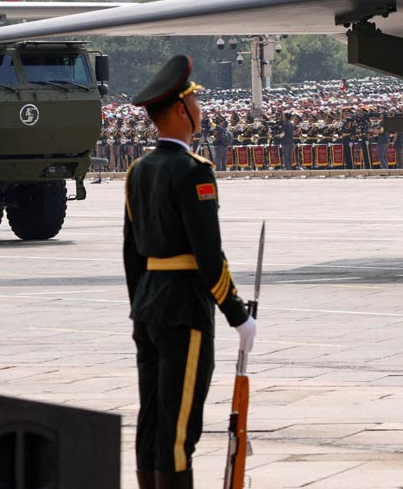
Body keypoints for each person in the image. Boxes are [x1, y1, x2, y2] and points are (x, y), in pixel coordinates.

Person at [122, 55, 256, 489]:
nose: (201, 108)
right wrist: (237, 312)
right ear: (181, 110)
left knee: (153, 418)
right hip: (184, 309)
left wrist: (140, 306)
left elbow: (131, 256)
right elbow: (208, 254)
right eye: (195, 100)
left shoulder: (137, 173)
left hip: (148, 308)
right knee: (181, 425)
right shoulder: (193, 172)